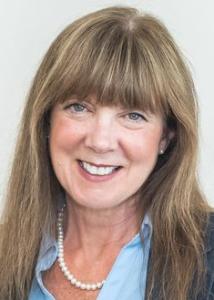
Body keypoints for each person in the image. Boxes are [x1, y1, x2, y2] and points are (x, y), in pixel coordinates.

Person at [0, 5, 213, 300]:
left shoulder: (208, 260)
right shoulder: (6, 253)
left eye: (133, 115)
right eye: (79, 107)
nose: (100, 142)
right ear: (47, 120)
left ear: (166, 136)